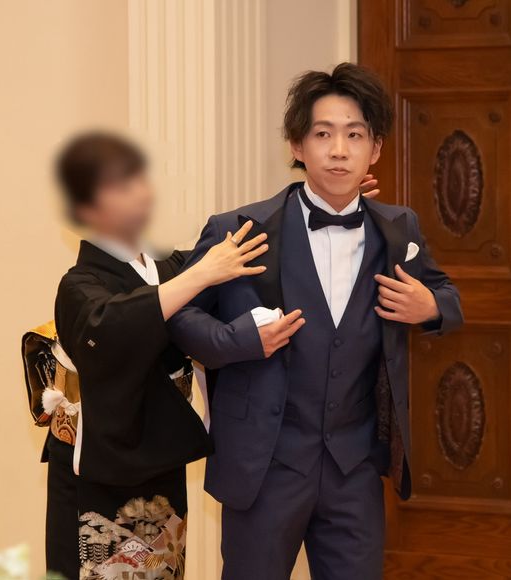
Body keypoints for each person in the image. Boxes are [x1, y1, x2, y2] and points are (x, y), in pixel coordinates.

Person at [168, 62, 463, 580]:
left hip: (355, 470)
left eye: (355, 135)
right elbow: (180, 317)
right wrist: (238, 340)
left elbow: (448, 298)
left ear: (375, 149)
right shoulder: (240, 228)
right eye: (323, 134)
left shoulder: (400, 230)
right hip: (265, 467)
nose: (339, 150)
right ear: (297, 145)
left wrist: (431, 307)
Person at [46, 132, 272, 579]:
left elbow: (248, 245)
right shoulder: (78, 285)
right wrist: (200, 275)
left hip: (160, 459)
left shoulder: (169, 268)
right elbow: (109, 328)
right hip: (101, 470)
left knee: (164, 570)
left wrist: (325, 198)